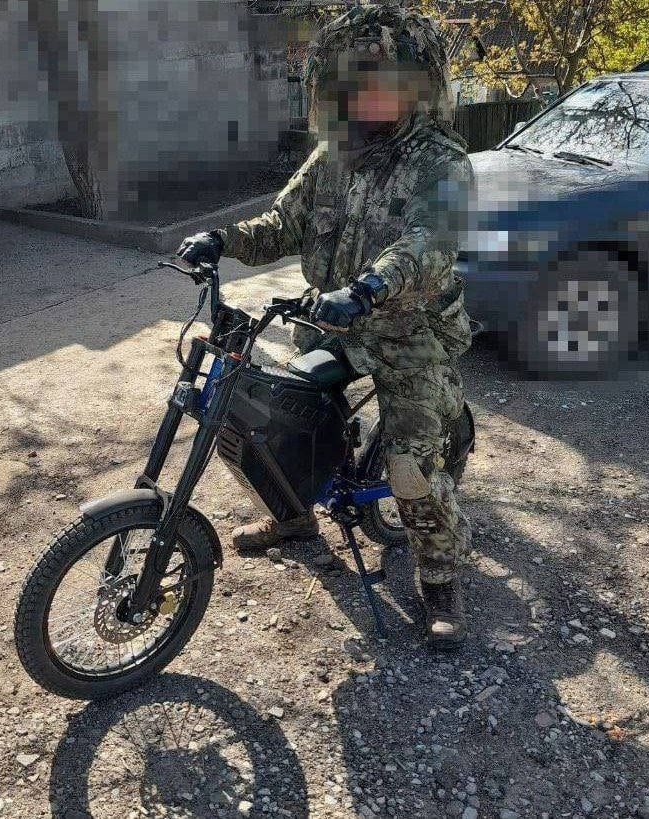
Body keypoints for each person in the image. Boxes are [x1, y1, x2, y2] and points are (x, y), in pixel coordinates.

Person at [176, 4, 475, 645]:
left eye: (384, 79)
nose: (368, 94)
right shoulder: (333, 153)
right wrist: (222, 239)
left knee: (410, 468)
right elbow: (281, 224)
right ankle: (294, 518)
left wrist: (368, 289)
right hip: (334, 322)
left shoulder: (442, 161)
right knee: (263, 421)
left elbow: (430, 244)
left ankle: (440, 580)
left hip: (411, 333)